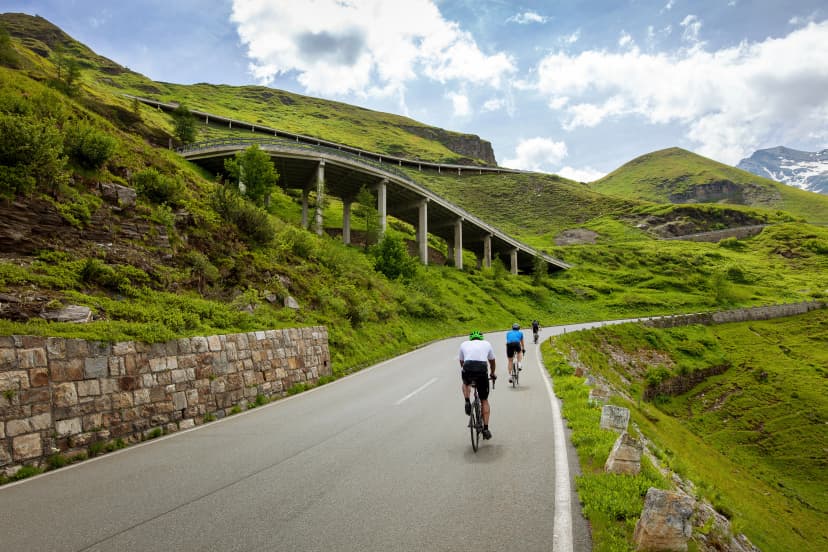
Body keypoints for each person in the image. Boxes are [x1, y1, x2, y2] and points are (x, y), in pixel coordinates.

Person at [458, 330, 496, 440]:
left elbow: (462, 361)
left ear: (470, 339)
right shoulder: (487, 343)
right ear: (481, 338)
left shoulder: (464, 344)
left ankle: (467, 401)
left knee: (466, 383)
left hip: (467, 367)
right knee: (484, 400)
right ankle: (485, 428)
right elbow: (492, 361)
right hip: (482, 369)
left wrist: (465, 370)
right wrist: (492, 373)